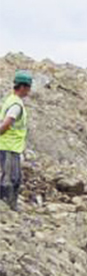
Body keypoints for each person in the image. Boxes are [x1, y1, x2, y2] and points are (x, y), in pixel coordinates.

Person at [0, 70, 32, 211]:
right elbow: (6, 124)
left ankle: (10, 206)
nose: (29, 91)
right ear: (23, 87)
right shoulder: (16, 105)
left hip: (12, 147)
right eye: (29, 87)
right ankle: (6, 208)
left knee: (15, 178)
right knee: (10, 179)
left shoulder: (11, 100)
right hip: (8, 147)